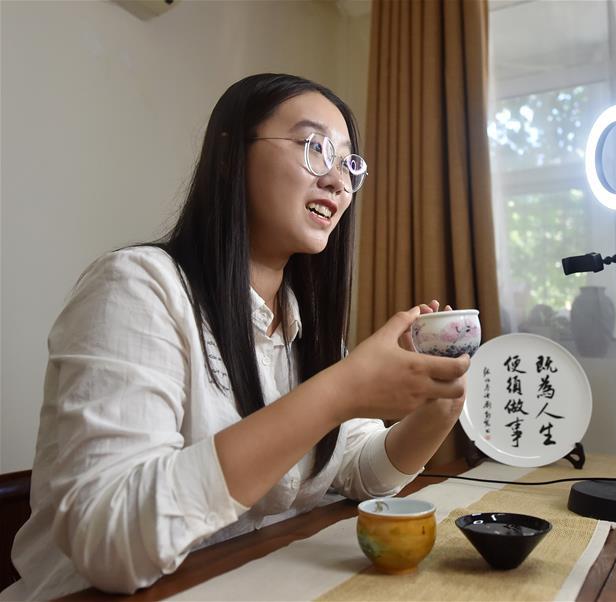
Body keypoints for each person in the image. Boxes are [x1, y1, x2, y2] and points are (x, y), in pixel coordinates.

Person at [1, 73, 470, 601]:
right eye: (315, 147)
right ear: (230, 156)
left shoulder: (303, 326)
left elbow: (360, 470)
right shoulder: (138, 287)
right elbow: (113, 542)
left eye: (348, 163)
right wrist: (342, 391)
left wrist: (439, 405)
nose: (338, 182)